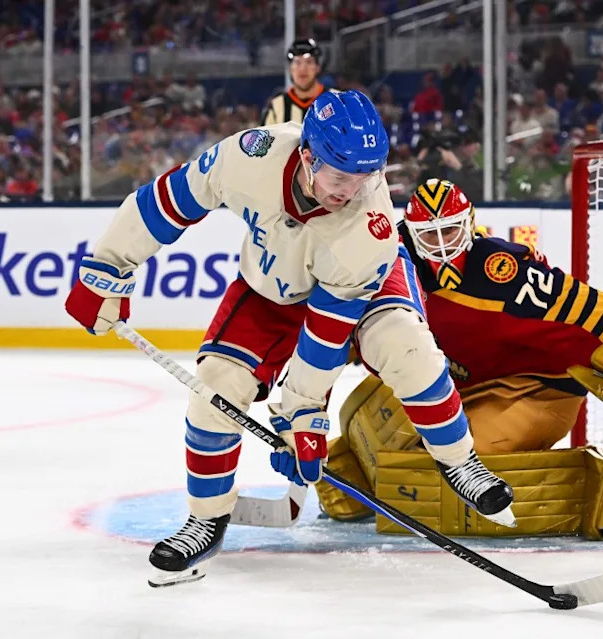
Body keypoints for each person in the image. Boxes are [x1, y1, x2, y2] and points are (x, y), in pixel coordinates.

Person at [64, 92, 514, 587]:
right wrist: (108, 266)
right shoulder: (248, 158)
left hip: (364, 287)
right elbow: (167, 202)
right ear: (306, 156)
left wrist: (302, 415)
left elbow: (326, 333)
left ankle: (459, 462)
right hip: (270, 286)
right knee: (213, 388)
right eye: (340, 176)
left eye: (366, 175)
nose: (352, 190)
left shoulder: (370, 227)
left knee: (411, 352)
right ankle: (207, 518)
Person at [317, 179, 603, 541]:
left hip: (538, 388)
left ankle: (596, 502)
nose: (442, 247)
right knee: (369, 412)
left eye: (450, 232)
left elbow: (587, 310)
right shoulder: (389, 262)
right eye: (430, 236)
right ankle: (356, 476)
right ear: (411, 233)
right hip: (459, 377)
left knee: (462, 469)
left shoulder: (500, 272)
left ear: (470, 225)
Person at [261, 39, 327, 125]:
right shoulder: (276, 107)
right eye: (297, 62)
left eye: (309, 62)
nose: (303, 69)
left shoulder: (338, 100)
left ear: (318, 67)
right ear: (290, 68)